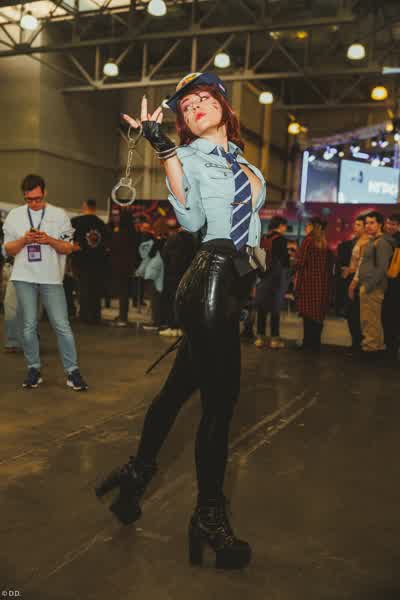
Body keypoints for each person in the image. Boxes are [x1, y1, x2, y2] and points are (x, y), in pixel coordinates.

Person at [95, 72, 266, 570]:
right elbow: (190, 219)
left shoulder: (244, 162)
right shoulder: (186, 156)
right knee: (220, 405)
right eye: (186, 106)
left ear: (224, 106)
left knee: (176, 392)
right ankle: (209, 518)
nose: (193, 107)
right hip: (209, 277)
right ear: (183, 123)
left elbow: (250, 226)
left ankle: (134, 478)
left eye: (203, 98)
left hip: (231, 286)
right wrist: (165, 150)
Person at [3, 174, 88, 390]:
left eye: (37, 198)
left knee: (62, 325)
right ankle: (33, 369)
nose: (33, 203)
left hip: (51, 278)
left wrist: (48, 240)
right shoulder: (15, 215)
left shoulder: (59, 215)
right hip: (24, 277)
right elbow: (8, 249)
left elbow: (68, 248)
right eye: (29, 199)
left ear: (45, 192)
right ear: (24, 196)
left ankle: (73, 372)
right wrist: (24, 240)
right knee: (29, 326)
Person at [349, 211, 394, 357]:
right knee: (372, 319)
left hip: (373, 288)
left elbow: (382, 269)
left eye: (372, 223)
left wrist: (367, 287)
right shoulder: (373, 241)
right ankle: (376, 347)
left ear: (380, 224)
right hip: (370, 286)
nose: (368, 226)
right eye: (366, 223)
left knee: (369, 320)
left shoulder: (382, 242)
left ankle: (370, 348)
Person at [295, 217, 333, 352]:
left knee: (307, 314)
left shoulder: (308, 241)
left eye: (309, 225)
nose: (307, 227)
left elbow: (300, 262)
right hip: (322, 282)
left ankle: (307, 343)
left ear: (313, 226)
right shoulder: (324, 242)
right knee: (318, 314)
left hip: (308, 282)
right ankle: (316, 343)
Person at [71, 199, 109, 324]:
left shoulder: (76, 222)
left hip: (80, 261)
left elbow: (70, 241)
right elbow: (106, 245)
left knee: (82, 288)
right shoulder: (102, 224)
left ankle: (84, 315)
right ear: (95, 208)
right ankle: (95, 315)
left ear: (84, 206)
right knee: (96, 289)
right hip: (98, 262)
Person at [254, 216, 289, 349]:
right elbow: (284, 261)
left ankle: (260, 338)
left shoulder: (263, 238)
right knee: (275, 308)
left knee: (262, 307)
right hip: (276, 278)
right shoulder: (281, 240)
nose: (285, 228)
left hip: (262, 277)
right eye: (284, 226)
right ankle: (274, 339)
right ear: (280, 225)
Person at [337, 216, 369, 353]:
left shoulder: (369, 242)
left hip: (362, 282)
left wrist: (351, 270)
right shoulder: (350, 243)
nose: (356, 227)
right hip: (349, 280)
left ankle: (361, 343)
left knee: (359, 314)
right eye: (355, 224)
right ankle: (355, 342)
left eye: (359, 225)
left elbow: (364, 265)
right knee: (350, 314)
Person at [159, 227, 198, 337]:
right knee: (182, 301)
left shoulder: (173, 239)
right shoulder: (193, 241)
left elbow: (165, 255)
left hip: (172, 274)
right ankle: (181, 327)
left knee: (171, 300)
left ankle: (172, 326)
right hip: (186, 274)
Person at [109, 208, 138, 326]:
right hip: (128, 266)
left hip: (119, 265)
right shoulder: (133, 233)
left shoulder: (119, 233)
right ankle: (123, 315)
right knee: (125, 292)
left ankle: (122, 318)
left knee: (122, 292)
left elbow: (113, 248)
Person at [136, 235, 164, 330]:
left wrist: (141, 273)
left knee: (156, 302)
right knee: (154, 301)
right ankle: (155, 321)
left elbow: (151, 271)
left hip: (156, 283)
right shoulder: (155, 256)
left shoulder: (156, 258)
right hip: (156, 282)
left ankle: (156, 322)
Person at [382, 214, 400, 359]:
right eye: (388, 223)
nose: (389, 226)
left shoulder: (395, 241)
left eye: (393, 224)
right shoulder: (388, 239)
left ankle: (391, 349)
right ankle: (391, 348)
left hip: (394, 284)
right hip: (390, 284)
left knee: (391, 317)